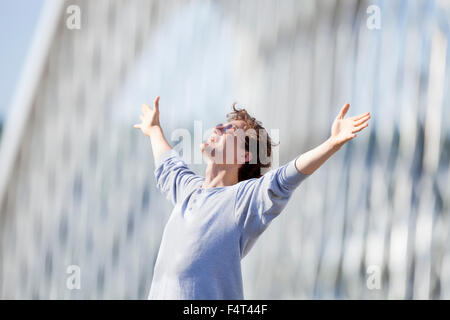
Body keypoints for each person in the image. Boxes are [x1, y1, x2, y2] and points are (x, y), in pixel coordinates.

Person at [134, 96, 370, 299]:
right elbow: (168, 164)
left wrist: (331, 144)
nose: (217, 128)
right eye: (220, 125)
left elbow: (285, 178)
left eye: (229, 130)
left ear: (246, 155)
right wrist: (154, 129)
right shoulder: (188, 190)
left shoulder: (242, 200)